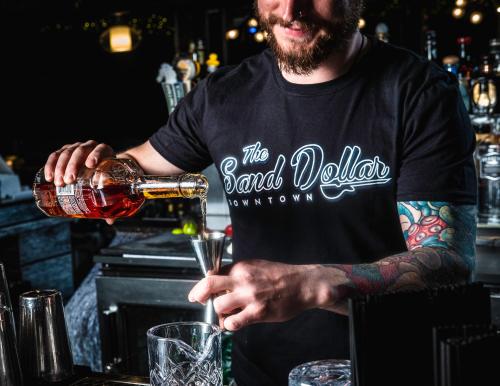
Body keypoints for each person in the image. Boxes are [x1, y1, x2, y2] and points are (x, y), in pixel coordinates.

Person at [43, 0, 477, 384]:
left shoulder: (420, 92)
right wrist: (94, 163)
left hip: (389, 368)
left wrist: (315, 283)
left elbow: (448, 262)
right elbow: (133, 167)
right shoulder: (221, 96)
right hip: (261, 372)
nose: (290, 11)